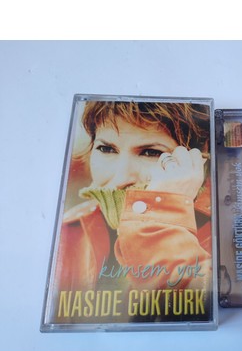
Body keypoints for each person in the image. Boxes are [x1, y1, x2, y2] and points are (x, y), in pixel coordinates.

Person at [54, 100, 212, 295]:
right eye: (106, 149)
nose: (121, 179)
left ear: (198, 160)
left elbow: (197, 302)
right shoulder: (68, 231)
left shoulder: (227, 234)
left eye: (151, 152)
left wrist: (160, 221)